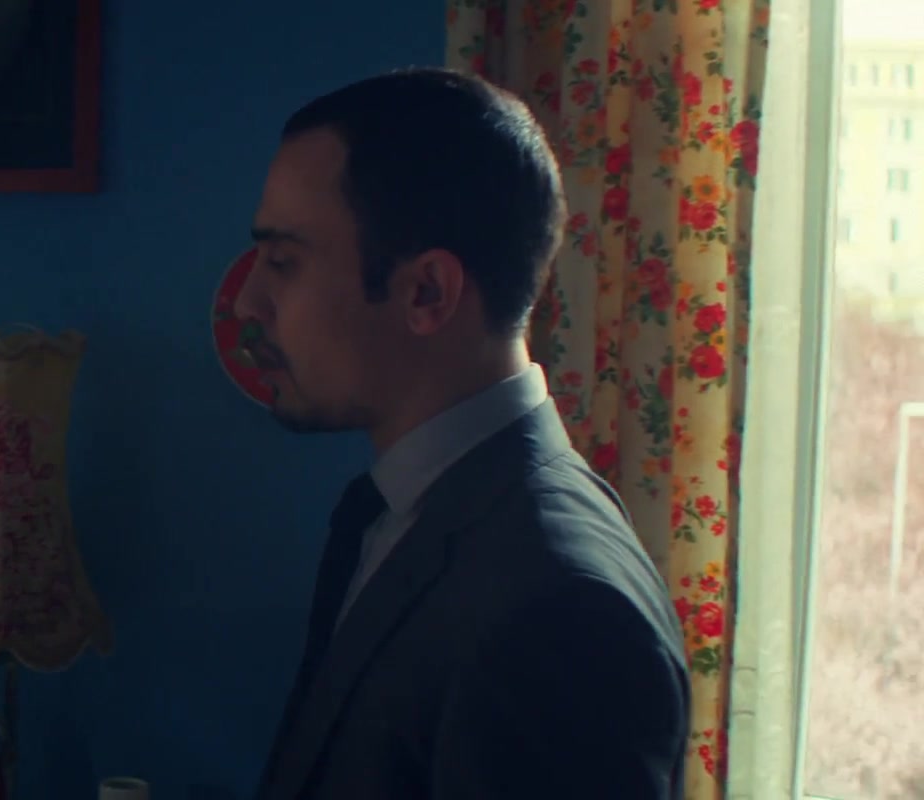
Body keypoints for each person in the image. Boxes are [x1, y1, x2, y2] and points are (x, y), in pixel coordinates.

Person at [237, 68, 690, 799]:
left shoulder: (561, 612)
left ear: (427, 292)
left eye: (284, 263)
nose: (248, 302)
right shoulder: (388, 514)